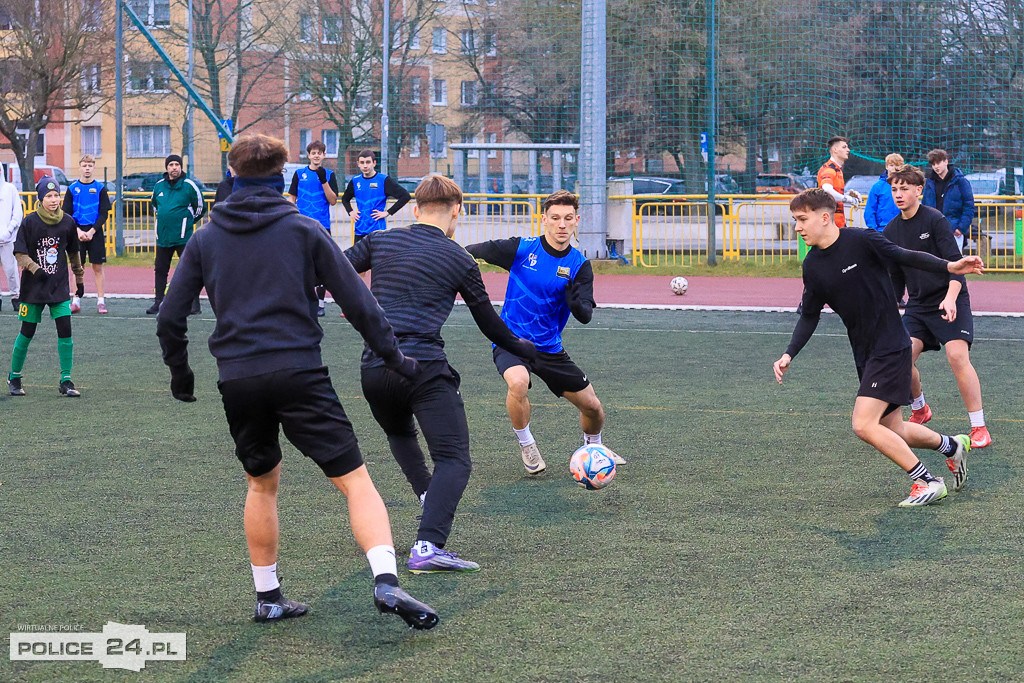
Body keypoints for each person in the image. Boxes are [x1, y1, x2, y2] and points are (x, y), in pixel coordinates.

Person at [156, 134, 438, 628]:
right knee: (356, 483)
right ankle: (387, 582)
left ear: (231, 174)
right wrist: (397, 359)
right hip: (299, 372)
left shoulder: (205, 238)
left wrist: (181, 375)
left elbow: (170, 317)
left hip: (238, 378)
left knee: (261, 484)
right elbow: (359, 303)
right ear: (283, 176)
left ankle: (268, 597)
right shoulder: (304, 229)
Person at [345, 174, 537, 574]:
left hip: (373, 370)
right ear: (457, 211)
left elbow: (332, 271)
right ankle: (428, 545)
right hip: (422, 369)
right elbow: (489, 324)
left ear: (414, 210)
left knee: (400, 435)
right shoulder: (459, 258)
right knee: (454, 459)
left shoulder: (380, 241)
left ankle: (428, 500)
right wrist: (523, 349)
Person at [773, 189, 983, 507]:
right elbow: (809, 315)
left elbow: (904, 256)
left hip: (891, 346)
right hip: (866, 352)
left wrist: (949, 267)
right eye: (795, 221)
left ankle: (926, 481)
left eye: (802, 219)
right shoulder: (812, 265)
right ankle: (951, 446)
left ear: (825, 217)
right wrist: (789, 353)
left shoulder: (862, 240)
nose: (798, 227)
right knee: (892, 427)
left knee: (862, 424)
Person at [466, 190, 624, 475]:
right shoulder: (522, 249)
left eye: (567, 218)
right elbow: (474, 250)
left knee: (594, 409)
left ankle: (594, 448)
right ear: (544, 220)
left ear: (577, 221)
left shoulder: (579, 265)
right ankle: (527, 444)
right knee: (518, 383)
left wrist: (577, 305)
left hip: (549, 348)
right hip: (511, 340)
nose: (561, 225)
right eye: (555, 218)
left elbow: (585, 313)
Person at [883, 165, 991, 448]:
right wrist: (895, 307)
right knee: (902, 356)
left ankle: (979, 427)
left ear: (919, 190)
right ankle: (920, 409)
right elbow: (896, 277)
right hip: (918, 306)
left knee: (957, 356)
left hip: (950, 297)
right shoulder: (891, 230)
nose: (898, 194)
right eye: (894, 189)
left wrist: (951, 298)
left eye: (904, 188)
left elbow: (957, 265)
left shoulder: (935, 220)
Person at [8, 177, 84, 397]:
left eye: (56, 195)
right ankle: (14, 376)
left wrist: (79, 279)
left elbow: (73, 253)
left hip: (58, 287)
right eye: (48, 196)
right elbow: (20, 253)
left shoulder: (68, 222)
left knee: (65, 330)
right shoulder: (29, 222)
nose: (53, 200)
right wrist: (35, 269)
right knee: (27, 331)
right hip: (33, 288)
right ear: (40, 199)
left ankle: (66, 380)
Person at [146, 154, 205, 316]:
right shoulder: (159, 186)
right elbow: (155, 206)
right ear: (167, 168)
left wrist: (186, 222)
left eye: (176, 164)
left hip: (183, 237)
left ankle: (194, 304)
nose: (174, 167)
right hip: (163, 237)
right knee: (160, 269)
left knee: (189, 270)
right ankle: (159, 302)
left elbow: (200, 208)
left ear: (181, 167)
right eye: (171, 164)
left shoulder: (189, 186)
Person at [287, 141, 338, 316]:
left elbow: (332, 200)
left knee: (322, 265)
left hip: (322, 226)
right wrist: (290, 217)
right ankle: (303, 302)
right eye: (313, 152)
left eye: (320, 153)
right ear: (308, 155)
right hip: (301, 226)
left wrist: (323, 180)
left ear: (324, 155)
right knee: (300, 264)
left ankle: (321, 304)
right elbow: (292, 198)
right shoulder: (299, 174)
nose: (316, 155)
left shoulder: (329, 174)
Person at [63, 155, 112, 314]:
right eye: (84, 165)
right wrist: (77, 231)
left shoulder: (100, 188)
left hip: (94, 232)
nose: (87, 168)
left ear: (93, 167)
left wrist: (91, 231)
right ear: (80, 167)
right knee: (78, 267)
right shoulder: (72, 189)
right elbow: (67, 214)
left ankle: (101, 301)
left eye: (90, 166)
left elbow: (104, 213)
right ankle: (76, 300)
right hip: (76, 232)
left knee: (97, 266)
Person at [340, 149, 411, 243]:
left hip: (378, 232)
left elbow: (405, 196)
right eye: (362, 162)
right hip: (359, 231)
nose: (365, 165)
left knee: (378, 258)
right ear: (358, 164)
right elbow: (345, 199)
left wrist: (387, 212)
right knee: (357, 258)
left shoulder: (383, 180)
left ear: (374, 163)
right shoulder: (355, 181)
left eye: (368, 162)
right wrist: (350, 211)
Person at [922, 148, 977, 254]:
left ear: (946, 161)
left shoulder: (961, 181)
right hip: (933, 230)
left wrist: (961, 228)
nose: (936, 167)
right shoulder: (930, 183)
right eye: (933, 164)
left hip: (953, 231)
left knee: (954, 265)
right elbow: (925, 205)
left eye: (938, 163)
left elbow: (969, 206)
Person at [816, 136, 861, 228]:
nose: (848, 150)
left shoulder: (837, 170)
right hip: (829, 224)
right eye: (844, 147)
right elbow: (827, 190)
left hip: (836, 223)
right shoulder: (829, 169)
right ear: (835, 149)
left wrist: (847, 195)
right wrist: (848, 199)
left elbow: (833, 195)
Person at [0, 163, 24, 311]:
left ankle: (16, 297)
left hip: (8, 238)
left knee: (11, 270)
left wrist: (9, 230)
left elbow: (18, 213)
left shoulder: (10, 189)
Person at [863, 153, 902, 233]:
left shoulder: (905, 185)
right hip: (882, 229)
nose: (894, 168)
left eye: (897, 165)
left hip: (902, 230)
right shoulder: (877, 187)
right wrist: (874, 230)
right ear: (886, 166)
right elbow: (870, 209)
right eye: (891, 165)